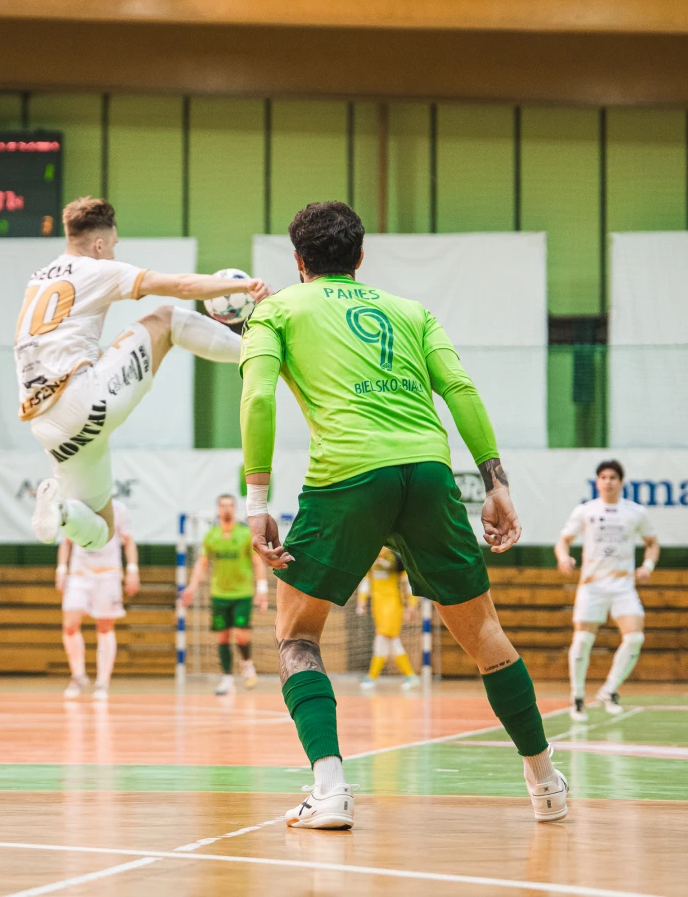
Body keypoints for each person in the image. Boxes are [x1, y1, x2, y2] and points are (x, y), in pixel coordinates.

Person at [240, 200, 565, 830]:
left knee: (297, 636)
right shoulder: (413, 312)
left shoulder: (274, 311)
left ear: (299, 259)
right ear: (360, 257)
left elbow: (258, 397)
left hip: (347, 476)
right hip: (430, 474)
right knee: (484, 635)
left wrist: (257, 503)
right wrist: (496, 482)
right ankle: (544, 779)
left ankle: (330, 789)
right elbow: (460, 389)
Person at [22, 197, 271, 553]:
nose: (113, 253)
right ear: (98, 245)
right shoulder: (95, 269)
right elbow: (181, 286)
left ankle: (62, 512)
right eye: (113, 246)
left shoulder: (38, 279)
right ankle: (260, 352)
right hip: (82, 399)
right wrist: (243, 287)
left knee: (102, 531)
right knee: (167, 319)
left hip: (44, 422)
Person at [556, 459, 660, 722]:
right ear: (597, 482)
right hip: (592, 586)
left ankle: (609, 690)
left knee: (635, 637)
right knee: (582, 640)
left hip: (623, 585)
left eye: (613, 477)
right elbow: (563, 541)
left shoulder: (636, 512)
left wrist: (647, 565)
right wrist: (564, 558)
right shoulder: (585, 510)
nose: (608, 481)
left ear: (621, 482)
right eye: (603, 477)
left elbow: (652, 543)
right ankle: (577, 697)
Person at [182, 494, 268, 695]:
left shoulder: (245, 534)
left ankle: (247, 663)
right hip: (219, 594)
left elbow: (257, 563)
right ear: (218, 509)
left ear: (235, 509)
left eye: (230, 505)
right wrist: (191, 588)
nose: (227, 509)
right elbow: (201, 564)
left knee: (241, 634)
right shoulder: (212, 536)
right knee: (223, 637)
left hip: (242, 593)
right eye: (223, 505)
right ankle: (227, 679)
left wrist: (262, 590)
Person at [55, 499, 139, 699]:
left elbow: (128, 541)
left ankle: (102, 682)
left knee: (105, 627)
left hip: (108, 574)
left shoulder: (118, 509)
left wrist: (133, 569)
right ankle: (78, 675)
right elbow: (66, 543)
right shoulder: (75, 506)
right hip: (79, 574)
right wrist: (61, 569)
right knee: (70, 625)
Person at [356, 547, 420, 690]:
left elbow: (408, 582)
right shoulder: (370, 556)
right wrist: (361, 601)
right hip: (377, 606)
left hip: (393, 605)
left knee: (383, 638)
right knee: (390, 641)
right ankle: (410, 676)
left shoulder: (396, 558)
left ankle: (372, 676)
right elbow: (366, 581)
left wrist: (411, 604)